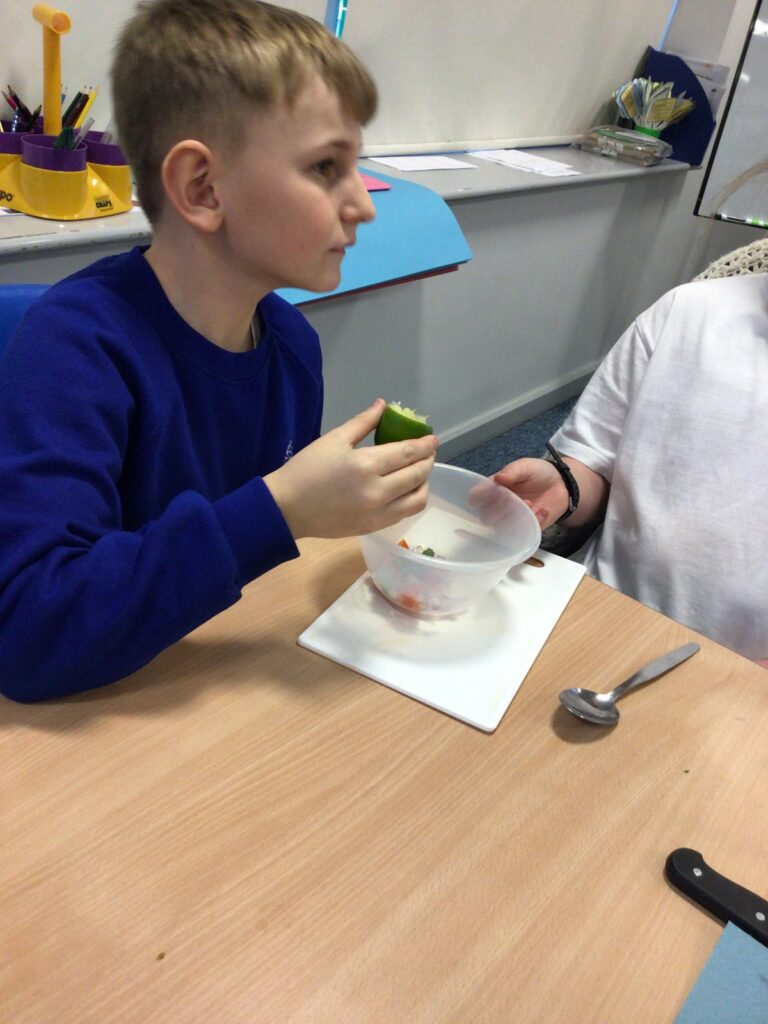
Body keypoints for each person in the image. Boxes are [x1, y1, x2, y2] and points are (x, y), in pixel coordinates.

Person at [0, 0, 438, 702]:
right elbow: (28, 632)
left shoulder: (292, 345)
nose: (364, 204)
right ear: (202, 188)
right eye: (326, 166)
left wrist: (316, 508)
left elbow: (256, 571)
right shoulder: (75, 347)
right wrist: (281, 509)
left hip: (204, 681)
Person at [493, 272, 768, 667]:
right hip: (597, 602)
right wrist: (564, 487)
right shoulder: (685, 310)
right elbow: (594, 462)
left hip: (741, 677)